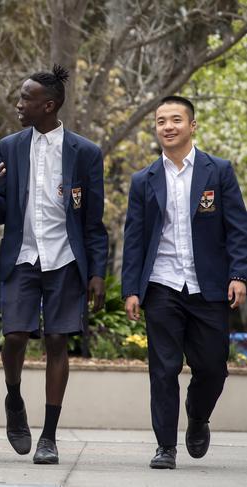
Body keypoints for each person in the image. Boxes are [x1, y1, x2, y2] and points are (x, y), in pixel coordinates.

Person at [0, 65, 108, 464]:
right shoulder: (9, 147)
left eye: (26, 99)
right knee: (16, 336)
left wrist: (97, 273)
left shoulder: (85, 153)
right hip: (22, 256)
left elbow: (93, 221)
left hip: (65, 259)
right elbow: (0, 211)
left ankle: (49, 437)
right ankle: (14, 396)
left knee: (57, 342)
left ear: (49, 105)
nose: (19, 104)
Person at [122, 95, 247, 469]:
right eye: (161, 121)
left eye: (176, 120)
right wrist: (131, 289)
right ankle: (165, 446)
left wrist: (239, 274)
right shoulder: (143, 180)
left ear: (192, 126)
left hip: (208, 285)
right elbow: (135, 238)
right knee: (163, 368)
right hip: (162, 286)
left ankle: (197, 415)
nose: (168, 127)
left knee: (212, 366)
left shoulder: (218, 171)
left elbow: (238, 228)